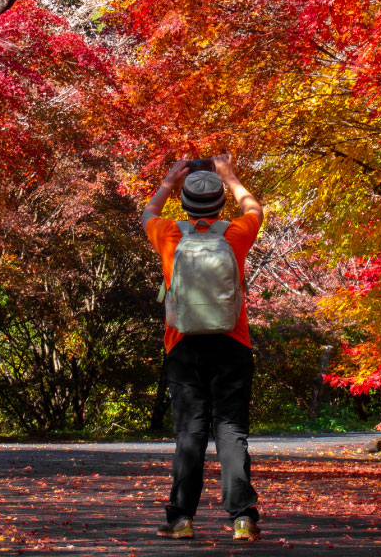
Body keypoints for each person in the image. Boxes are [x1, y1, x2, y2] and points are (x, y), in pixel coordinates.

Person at [141, 154, 264, 542]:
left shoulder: (168, 234)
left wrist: (167, 182)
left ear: (184, 203)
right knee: (231, 430)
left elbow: (147, 213)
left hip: (183, 344)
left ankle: (181, 519)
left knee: (189, 434)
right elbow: (255, 209)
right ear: (220, 203)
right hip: (232, 342)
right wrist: (230, 176)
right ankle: (242, 518)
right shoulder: (235, 235)